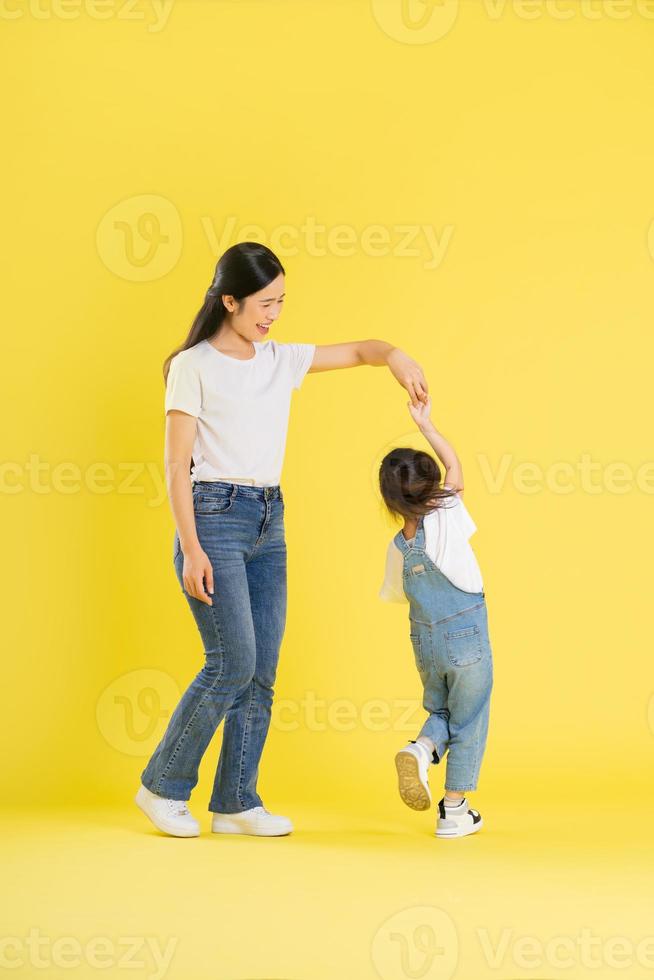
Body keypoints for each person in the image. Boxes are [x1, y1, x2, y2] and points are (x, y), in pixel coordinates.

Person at [136, 241, 430, 838]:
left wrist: (397, 358)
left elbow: (359, 351)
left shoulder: (278, 359)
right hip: (212, 516)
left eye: (281, 303)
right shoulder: (193, 366)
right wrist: (190, 547)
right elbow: (175, 466)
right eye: (264, 304)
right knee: (231, 661)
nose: (273, 315)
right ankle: (162, 786)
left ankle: (236, 801)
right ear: (229, 302)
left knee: (262, 668)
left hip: (270, 519)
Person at [378, 395, 493, 838]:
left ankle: (421, 748)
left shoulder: (396, 549)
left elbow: (398, 596)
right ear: (432, 488)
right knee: (471, 715)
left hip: (425, 643)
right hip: (466, 633)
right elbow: (455, 465)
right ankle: (455, 809)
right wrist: (425, 424)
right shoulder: (447, 512)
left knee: (443, 709)